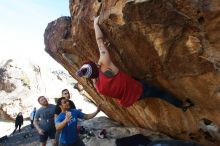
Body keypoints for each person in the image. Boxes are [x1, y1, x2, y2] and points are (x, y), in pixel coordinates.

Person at [76, 16, 194, 111]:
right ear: (96, 67)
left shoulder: (98, 87)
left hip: (131, 98)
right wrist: (95, 24)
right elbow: (99, 42)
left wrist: (95, 68)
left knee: (132, 79)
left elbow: (96, 74)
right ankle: (182, 105)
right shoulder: (105, 64)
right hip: (139, 89)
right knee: (161, 94)